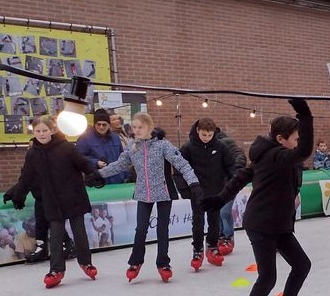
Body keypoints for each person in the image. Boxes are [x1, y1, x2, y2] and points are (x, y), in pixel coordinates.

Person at [200, 99, 314, 296]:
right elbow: (304, 151)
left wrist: (220, 199)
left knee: (301, 264)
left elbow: (242, 177)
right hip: (262, 225)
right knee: (267, 277)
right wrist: (305, 115)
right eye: (294, 138)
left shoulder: (272, 155)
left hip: (280, 224)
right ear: (281, 139)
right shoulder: (277, 155)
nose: (297, 142)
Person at [97, 113, 202, 283]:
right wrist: (98, 174)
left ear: (149, 127)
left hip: (163, 192)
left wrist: (194, 183)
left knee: (162, 230)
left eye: (140, 127)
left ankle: (163, 263)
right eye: (134, 127)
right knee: (140, 230)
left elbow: (181, 163)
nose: (136, 130)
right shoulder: (132, 146)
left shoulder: (162, 145)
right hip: (143, 193)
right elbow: (120, 165)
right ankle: (135, 262)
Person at [2, 116, 99, 288]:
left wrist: (93, 174)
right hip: (52, 200)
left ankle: (86, 263)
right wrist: (19, 194)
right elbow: (26, 178)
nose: (41, 134)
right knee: (55, 236)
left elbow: (83, 163)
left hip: (73, 196)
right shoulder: (33, 153)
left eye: (44, 130)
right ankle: (56, 270)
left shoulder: (66, 147)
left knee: (79, 232)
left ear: (52, 130)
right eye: (38, 131)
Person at [178, 118, 236, 271]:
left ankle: (212, 246)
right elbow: (179, 169)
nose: (207, 138)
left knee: (215, 222)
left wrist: (233, 184)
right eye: (204, 134)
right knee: (198, 223)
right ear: (198, 131)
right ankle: (197, 251)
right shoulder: (188, 148)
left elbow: (230, 166)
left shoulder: (220, 146)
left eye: (210, 135)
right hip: (197, 192)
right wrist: (184, 189)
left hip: (216, 191)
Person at [215, 127, 246, 255]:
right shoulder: (208, 147)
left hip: (229, 184)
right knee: (217, 212)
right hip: (217, 186)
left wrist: (235, 173)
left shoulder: (226, 142)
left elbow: (240, 155)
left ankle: (228, 238)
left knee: (224, 211)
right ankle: (221, 236)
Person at [77, 109, 128, 184]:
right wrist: (95, 162)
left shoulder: (115, 138)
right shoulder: (85, 138)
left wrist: (125, 175)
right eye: (98, 124)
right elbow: (79, 157)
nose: (101, 127)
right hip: (97, 180)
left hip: (117, 180)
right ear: (94, 125)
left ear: (108, 125)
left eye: (104, 124)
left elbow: (122, 157)